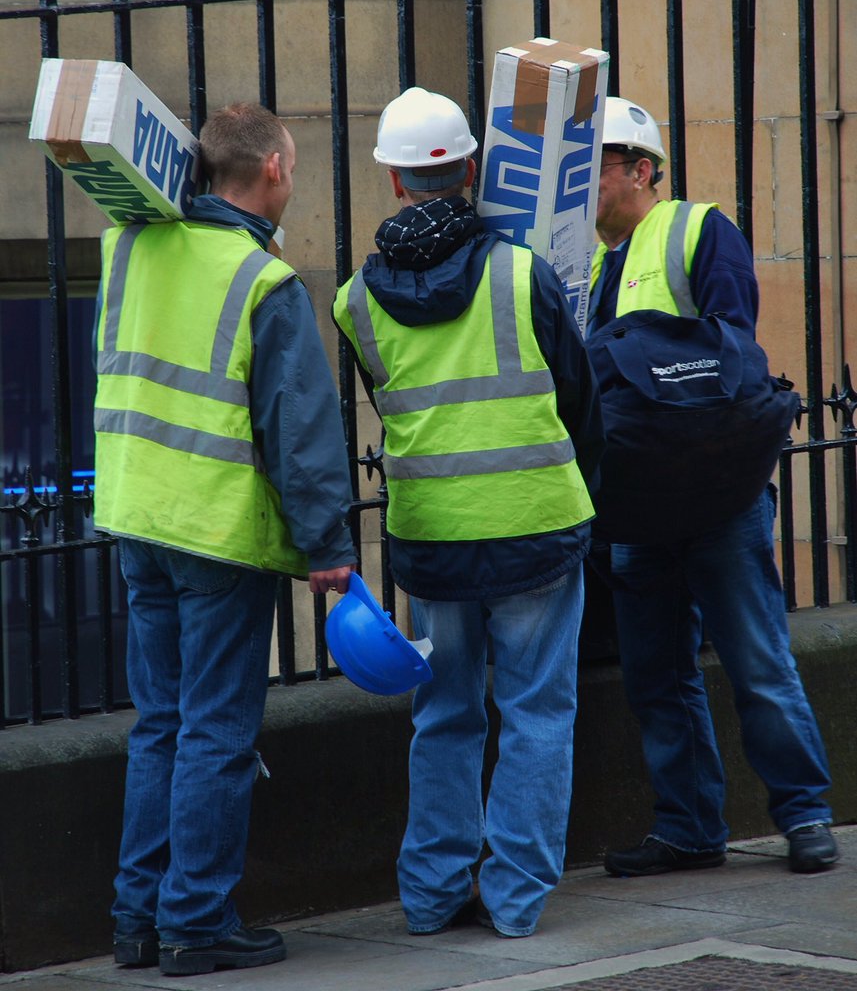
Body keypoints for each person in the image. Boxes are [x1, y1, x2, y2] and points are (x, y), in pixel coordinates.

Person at [332, 87, 604, 938]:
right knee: (536, 714)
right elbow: (577, 399)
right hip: (534, 525)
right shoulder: (523, 272)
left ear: (390, 179)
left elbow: (397, 403)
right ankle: (516, 899)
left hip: (433, 538)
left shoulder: (353, 300)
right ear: (472, 170)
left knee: (445, 713)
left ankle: (430, 894)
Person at [94, 103, 356, 975]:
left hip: (137, 514)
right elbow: (300, 428)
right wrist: (326, 544)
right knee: (214, 731)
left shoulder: (127, 249)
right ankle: (197, 922)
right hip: (214, 530)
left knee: (159, 724)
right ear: (274, 170)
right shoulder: (261, 281)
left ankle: (137, 918)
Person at [587, 95, 839, 878]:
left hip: (715, 498)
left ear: (641, 170)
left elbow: (733, 357)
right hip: (636, 507)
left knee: (756, 660)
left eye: (592, 170)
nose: (580, 188)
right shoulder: (588, 270)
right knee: (657, 678)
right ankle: (690, 828)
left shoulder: (696, 229)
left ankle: (804, 814)